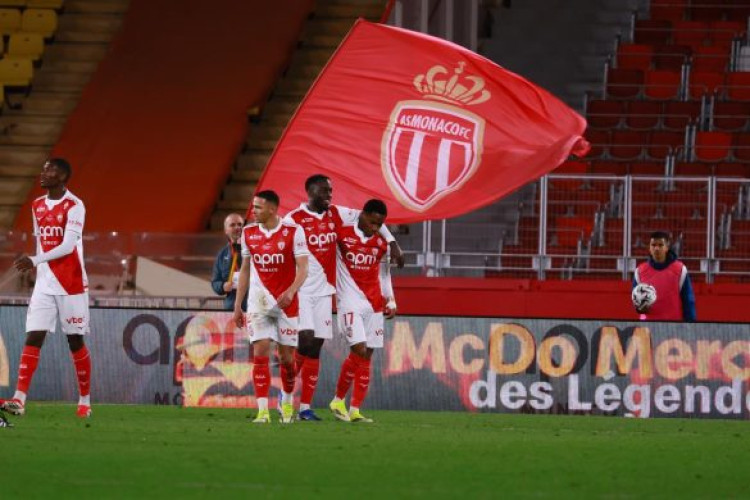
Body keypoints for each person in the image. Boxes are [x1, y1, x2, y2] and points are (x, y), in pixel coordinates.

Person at [282, 174, 404, 421]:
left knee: (316, 346)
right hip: (303, 290)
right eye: (324, 191)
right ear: (310, 191)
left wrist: (392, 242)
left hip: (325, 292)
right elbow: (280, 248)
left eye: (331, 191)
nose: (329, 195)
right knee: (305, 341)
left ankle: (305, 407)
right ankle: (285, 399)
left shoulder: (336, 214)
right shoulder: (292, 220)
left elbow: (371, 217)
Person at [0, 158, 93, 418]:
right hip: (44, 283)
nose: (44, 174)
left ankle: (84, 400)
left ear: (63, 176)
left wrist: (34, 260)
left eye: (50, 170)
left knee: (75, 340)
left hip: (71, 283)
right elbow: (42, 243)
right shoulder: (37, 205)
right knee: (33, 336)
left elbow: (68, 246)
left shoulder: (75, 205)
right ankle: (19, 400)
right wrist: (37, 267)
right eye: (43, 169)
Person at [232, 190, 309, 424]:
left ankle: (286, 400)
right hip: (259, 302)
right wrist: (238, 304)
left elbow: (303, 268)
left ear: (272, 209)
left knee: (287, 359)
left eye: (258, 207)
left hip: (286, 303)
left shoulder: (293, 231)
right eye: (253, 206)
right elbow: (245, 269)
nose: (253, 211)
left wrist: (291, 291)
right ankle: (263, 412)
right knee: (261, 352)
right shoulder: (248, 233)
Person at [329, 199, 396, 423]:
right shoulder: (342, 234)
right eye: (372, 222)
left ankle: (355, 409)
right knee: (358, 348)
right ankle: (338, 400)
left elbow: (385, 275)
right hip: (349, 302)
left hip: (374, 304)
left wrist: (391, 300)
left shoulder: (382, 244)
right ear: (363, 215)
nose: (375, 228)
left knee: (367, 355)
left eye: (379, 224)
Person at [633, 231, 696, 322]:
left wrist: (691, 325)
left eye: (660, 245)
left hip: (674, 325)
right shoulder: (639, 271)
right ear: (649, 248)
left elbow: (688, 301)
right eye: (653, 245)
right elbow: (636, 302)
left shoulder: (680, 270)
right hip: (647, 325)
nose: (656, 248)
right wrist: (640, 308)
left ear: (667, 247)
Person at [211, 213, 247, 311]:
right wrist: (223, 286)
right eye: (232, 225)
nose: (237, 227)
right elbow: (215, 282)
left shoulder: (253, 250)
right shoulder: (222, 254)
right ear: (226, 230)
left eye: (240, 224)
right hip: (231, 308)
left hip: (252, 308)